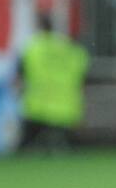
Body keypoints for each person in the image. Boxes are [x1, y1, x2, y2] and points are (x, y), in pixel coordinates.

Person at [19, 12, 89, 149]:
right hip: (66, 105)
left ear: (39, 27)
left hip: (38, 105)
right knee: (65, 146)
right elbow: (82, 75)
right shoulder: (71, 50)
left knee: (27, 147)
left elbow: (21, 75)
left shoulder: (33, 48)